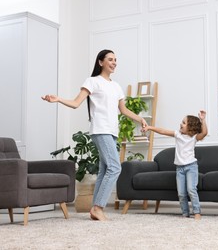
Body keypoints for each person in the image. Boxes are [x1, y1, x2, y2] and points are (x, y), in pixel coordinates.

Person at [42, 49, 147, 221]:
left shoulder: (116, 86)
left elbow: (123, 110)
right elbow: (76, 103)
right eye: (110, 59)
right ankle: (98, 207)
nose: (114, 62)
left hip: (112, 132)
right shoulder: (92, 82)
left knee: (105, 169)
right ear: (100, 62)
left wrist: (140, 119)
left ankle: (94, 209)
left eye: (115, 60)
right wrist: (59, 99)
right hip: (100, 129)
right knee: (115, 167)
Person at [142, 110, 208, 220]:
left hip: (191, 166)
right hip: (180, 168)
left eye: (183, 123)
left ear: (190, 127)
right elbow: (163, 131)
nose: (180, 124)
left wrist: (202, 120)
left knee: (191, 190)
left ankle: (197, 212)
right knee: (181, 193)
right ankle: (185, 213)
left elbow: (204, 133)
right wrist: (150, 128)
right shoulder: (177, 134)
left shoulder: (194, 137)